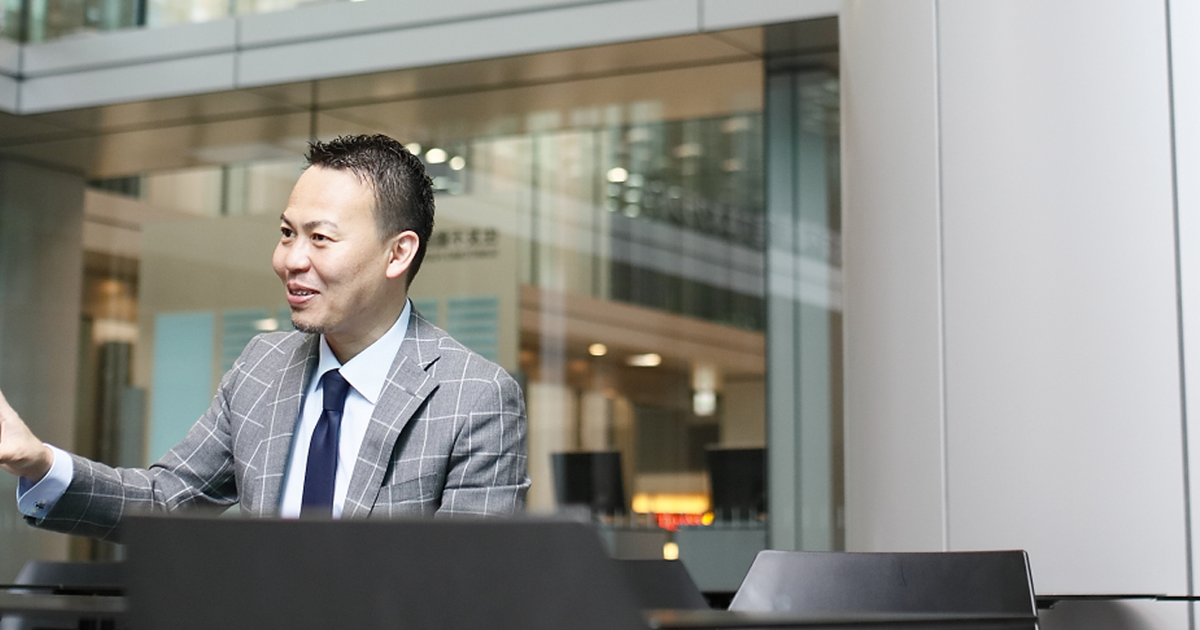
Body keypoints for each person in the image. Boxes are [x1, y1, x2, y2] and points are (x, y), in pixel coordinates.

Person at [0, 134, 529, 541]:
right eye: (286, 233)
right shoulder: (262, 366)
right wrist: (39, 462)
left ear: (398, 253)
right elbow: (166, 500)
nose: (290, 260)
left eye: (320, 238)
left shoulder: (474, 397)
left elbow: (469, 585)